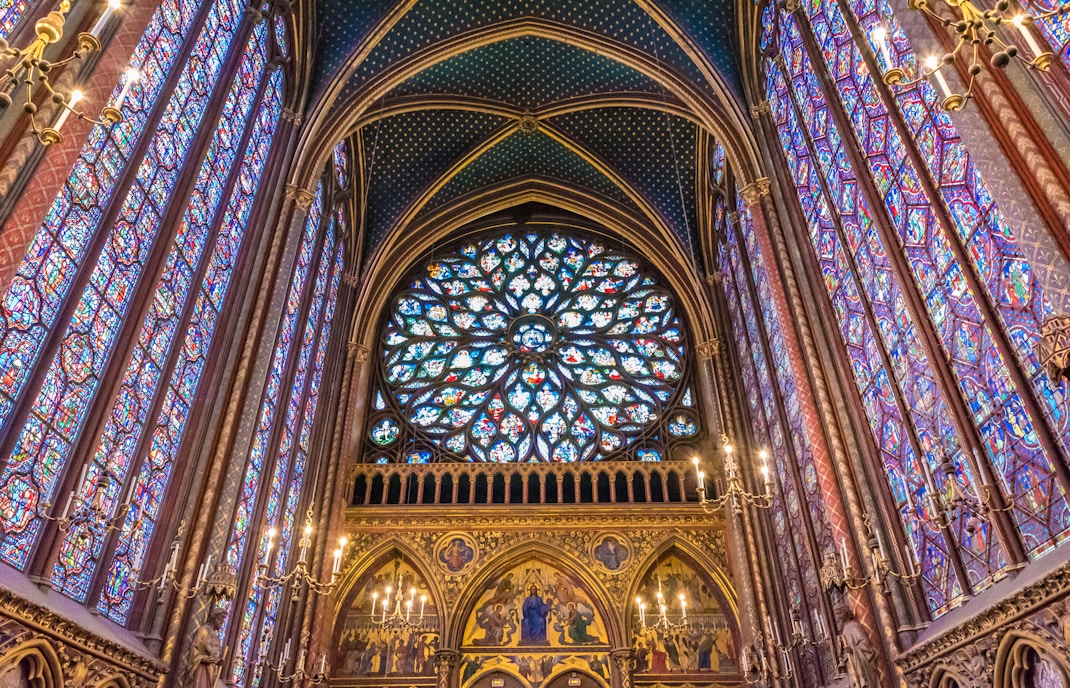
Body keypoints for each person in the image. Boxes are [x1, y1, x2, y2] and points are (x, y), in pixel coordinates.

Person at [836, 605, 881, 688]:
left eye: (839, 614)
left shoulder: (854, 626)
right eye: (837, 615)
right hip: (851, 664)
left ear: (845, 612)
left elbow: (865, 643)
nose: (838, 617)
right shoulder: (844, 629)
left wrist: (853, 649)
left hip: (859, 663)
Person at [185, 607, 227, 688]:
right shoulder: (204, 630)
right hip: (201, 668)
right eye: (221, 618)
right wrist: (203, 659)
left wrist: (217, 660)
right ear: (215, 617)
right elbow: (194, 648)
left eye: (223, 620)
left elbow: (212, 652)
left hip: (210, 669)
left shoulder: (215, 634)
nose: (221, 622)